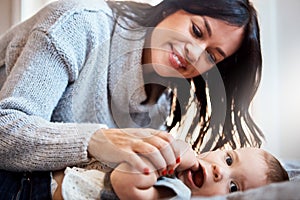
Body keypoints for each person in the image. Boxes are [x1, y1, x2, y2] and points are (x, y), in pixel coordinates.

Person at [0, 0, 263, 198]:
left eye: (212, 57)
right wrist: (96, 140)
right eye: (196, 31)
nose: (195, 55)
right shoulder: (79, 23)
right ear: (173, 7)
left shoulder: (160, 101)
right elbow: (4, 131)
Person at [101, 142, 289, 199]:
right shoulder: (178, 172)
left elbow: (122, 180)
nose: (220, 171)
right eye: (229, 160)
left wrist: (165, 161)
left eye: (233, 187)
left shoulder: (179, 193)